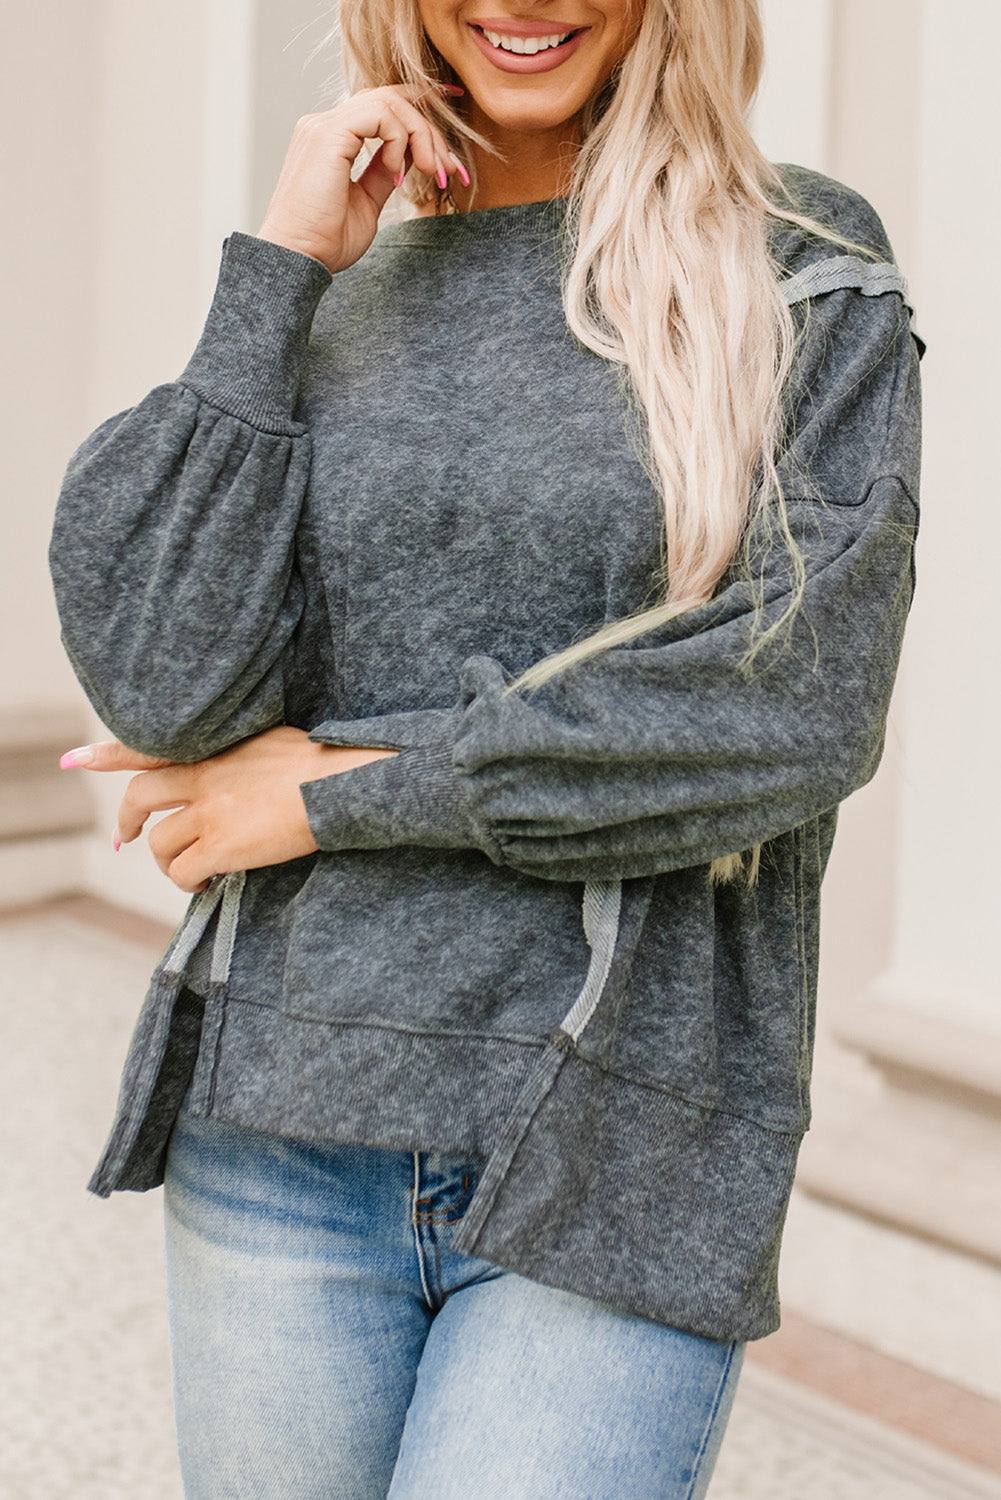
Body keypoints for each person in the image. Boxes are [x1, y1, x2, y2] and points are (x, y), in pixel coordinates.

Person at [49, 0, 923, 1493]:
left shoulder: (791, 262)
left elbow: (787, 706)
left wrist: (341, 792)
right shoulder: (333, 274)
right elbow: (165, 683)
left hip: (624, 1131)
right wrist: (277, 273)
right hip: (286, 1106)